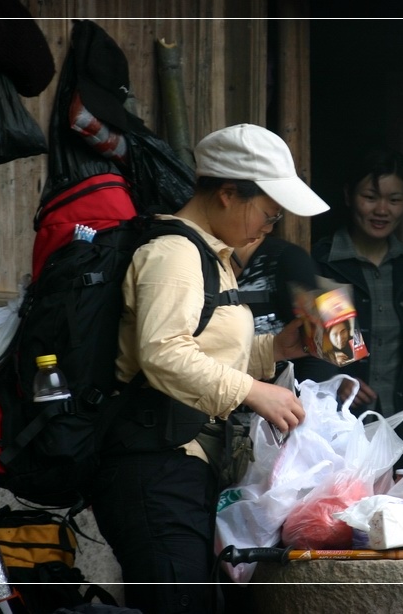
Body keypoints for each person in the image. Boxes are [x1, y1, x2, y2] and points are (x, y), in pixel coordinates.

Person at [90, 123, 330, 614]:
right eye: (267, 212)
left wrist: (276, 350)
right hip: (153, 466)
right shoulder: (174, 253)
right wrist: (253, 391)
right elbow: (163, 354)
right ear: (226, 194)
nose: (269, 227)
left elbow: (202, 349)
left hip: (180, 464)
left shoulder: (210, 256)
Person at [297, 146, 403, 466]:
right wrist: (337, 379)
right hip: (343, 422)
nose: (382, 209)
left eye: (394, 199)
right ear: (348, 196)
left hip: (402, 419)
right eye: (370, 197)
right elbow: (323, 348)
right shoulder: (324, 261)